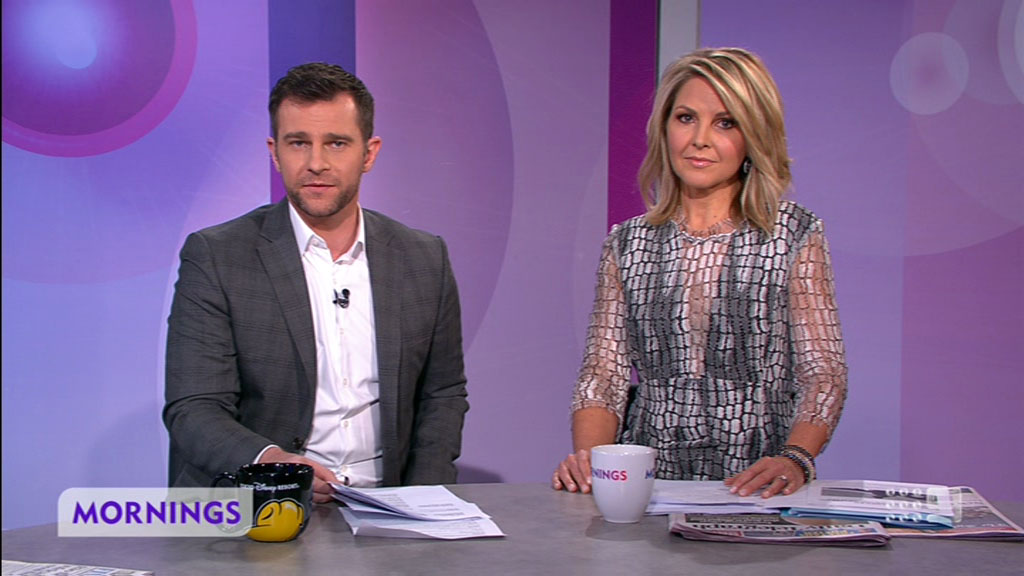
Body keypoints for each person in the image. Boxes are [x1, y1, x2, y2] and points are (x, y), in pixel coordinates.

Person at [164, 62, 468, 503]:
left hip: (388, 508)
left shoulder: (423, 257)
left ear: (369, 153)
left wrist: (421, 502)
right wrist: (273, 465)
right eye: (298, 143)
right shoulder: (218, 256)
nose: (316, 163)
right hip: (259, 506)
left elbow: (443, 394)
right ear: (275, 152)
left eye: (336, 143)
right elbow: (194, 407)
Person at [552, 47, 847, 498]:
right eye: (686, 118)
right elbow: (602, 375)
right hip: (648, 489)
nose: (700, 140)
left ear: (753, 134)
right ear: (664, 127)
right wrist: (590, 460)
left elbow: (822, 372)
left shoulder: (793, 233)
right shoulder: (628, 242)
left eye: (725, 123)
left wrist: (796, 457)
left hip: (758, 488)